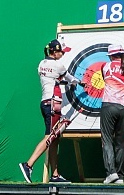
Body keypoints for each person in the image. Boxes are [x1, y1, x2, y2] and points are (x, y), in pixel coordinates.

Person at [18, 39, 81, 183]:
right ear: (54, 51)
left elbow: (53, 80)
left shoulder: (41, 64)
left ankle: (55, 175)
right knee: (50, 136)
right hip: (53, 104)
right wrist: (80, 83)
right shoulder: (58, 65)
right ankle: (28, 165)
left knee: (54, 140)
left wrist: (63, 82)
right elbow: (71, 79)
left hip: (45, 103)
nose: (63, 54)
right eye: (61, 52)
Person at [98, 45, 124, 184]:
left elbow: (105, 79)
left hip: (108, 106)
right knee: (121, 143)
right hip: (123, 107)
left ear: (110, 55)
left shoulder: (105, 66)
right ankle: (120, 176)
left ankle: (111, 173)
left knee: (107, 140)